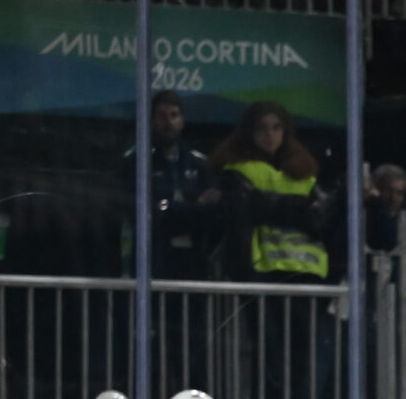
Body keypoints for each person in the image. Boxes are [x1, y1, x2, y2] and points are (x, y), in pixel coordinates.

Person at [207, 100, 328, 284]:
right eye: (261, 128)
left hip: (305, 272)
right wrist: (299, 206)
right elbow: (243, 209)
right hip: (257, 271)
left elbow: (320, 217)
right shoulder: (237, 170)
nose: (269, 135)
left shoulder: (304, 173)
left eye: (276, 128)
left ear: (285, 132)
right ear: (250, 132)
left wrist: (266, 203)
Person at [135, 88, 222, 278]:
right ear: (149, 120)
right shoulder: (137, 163)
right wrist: (196, 206)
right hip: (153, 266)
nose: (168, 122)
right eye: (162, 116)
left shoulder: (200, 164)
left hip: (195, 265)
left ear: (182, 121)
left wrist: (177, 211)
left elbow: (214, 213)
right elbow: (155, 217)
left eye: (174, 115)